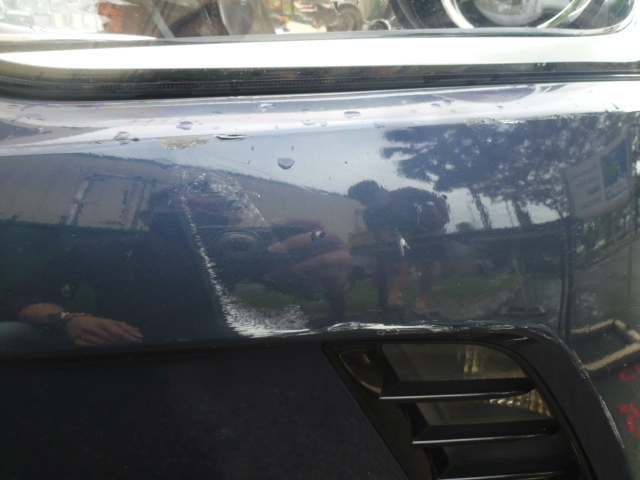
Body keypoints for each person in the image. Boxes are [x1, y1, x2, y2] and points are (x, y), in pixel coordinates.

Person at [348, 180, 449, 316]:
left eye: (366, 198)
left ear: (378, 191)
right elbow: (381, 236)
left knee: (429, 263)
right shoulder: (371, 211)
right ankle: (393, 299)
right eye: (362, 200)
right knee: (394, 260)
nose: (365, 203)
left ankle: (421, 302)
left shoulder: (407, 193)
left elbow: (437, 198)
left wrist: (445, 216)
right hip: (405, 233)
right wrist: (395, 246)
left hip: (430, 228)